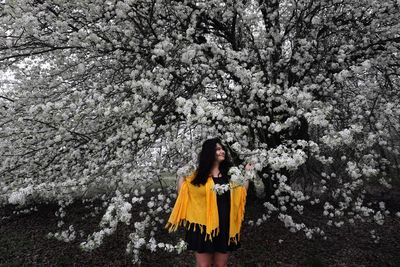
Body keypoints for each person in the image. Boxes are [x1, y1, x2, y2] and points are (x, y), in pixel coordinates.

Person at [165, 138, 252, 267]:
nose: (222, 151)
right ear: (209, 152)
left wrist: (248, 172)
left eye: (222, 149)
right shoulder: (198, 175)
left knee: (221, 265)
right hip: (203, 227)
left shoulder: (230, 174)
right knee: (203, 265)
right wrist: (181, 174)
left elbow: (241, 192)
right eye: (218, 149)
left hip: (225, 226)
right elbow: (183, 193)